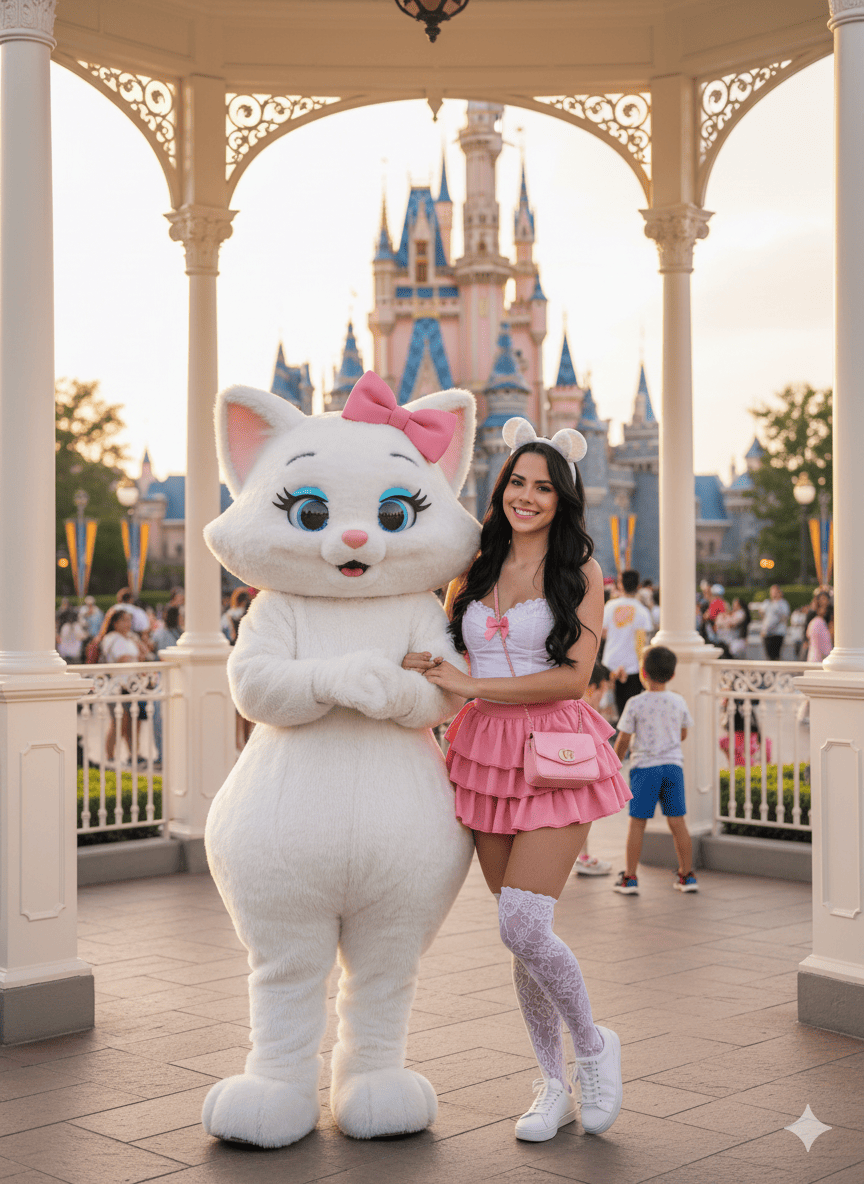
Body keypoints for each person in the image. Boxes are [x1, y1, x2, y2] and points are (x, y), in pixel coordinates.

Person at [405, 422, 630, 1142]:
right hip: (483, 751)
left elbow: (575, 675)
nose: (527, 496)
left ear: (563, 498)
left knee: (522, 922)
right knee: (522, 938)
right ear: (500, 489)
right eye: (517, 483)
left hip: (556, 746)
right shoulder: (472, 569)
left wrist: (473, 684)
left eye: (543, 486)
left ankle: (593, 1048)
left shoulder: (581, 573)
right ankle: (552, 1083)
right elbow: (440, 647)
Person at [612, 645, 698, 894]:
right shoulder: (678, 701)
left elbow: (624, 740)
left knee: (637, 823)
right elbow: (683, 733)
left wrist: (615, 764)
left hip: (644, 769)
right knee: (677, 821)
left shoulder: (635, 703)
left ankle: (629, 878)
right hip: (673, 768)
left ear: (642, 672)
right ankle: (687, 875)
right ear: (672, 675)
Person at [94, 607, 150, 761]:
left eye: (129, 620)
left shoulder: (129, 638)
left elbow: (144, 653)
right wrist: (135, 656)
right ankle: (110, 756)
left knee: (134, 722)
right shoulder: (111, 638)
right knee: (119, 723)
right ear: (115, 623)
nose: (128, 623)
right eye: (124, 620)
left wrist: (138, 642)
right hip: (117, 686)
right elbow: (121, 658)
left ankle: (134, 754)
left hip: (132, 684)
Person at [602, 569, 653, 718]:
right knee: (630, 708)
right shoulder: (642, 611)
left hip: (611, 662)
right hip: (633, 665)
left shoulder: (610, 606)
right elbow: (644, 639)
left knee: (611, 710)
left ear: (620, 585)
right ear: (638, 586)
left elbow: (603, 632)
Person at [760, 584, 790, 661]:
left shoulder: (783, 603)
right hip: (767, 632)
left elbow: (785, 616)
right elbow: (761, 612)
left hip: (778, 632)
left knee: (775, 655)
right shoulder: (767, 602)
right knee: (769, 655)